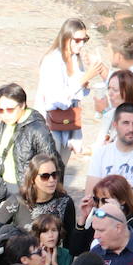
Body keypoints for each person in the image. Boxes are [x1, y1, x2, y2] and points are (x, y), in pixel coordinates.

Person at [37, 18, 107, 166]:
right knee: (50, 171)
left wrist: (85, 84)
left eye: (84, 40)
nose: (81, 44)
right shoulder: (52, 61)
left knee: (61, 171)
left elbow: (78, 94)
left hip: (67, 124)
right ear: (66, 38)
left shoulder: (75, 59)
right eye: (77, 40)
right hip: (50, 125)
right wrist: (84, 78)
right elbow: (58, 99)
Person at [0, 152, 83, 254]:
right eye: (45, 176)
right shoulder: (17, 202)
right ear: (32, 179)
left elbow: (69, 244)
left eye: (54, 174)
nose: (51, 180)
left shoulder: (65, 202)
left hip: (54, 261)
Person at [0, 82, 57, 205]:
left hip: (28, 191)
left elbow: (51, 164)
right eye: (0, 110)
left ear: (22, 105)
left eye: (10, 109)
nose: (5, 115)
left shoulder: (38, 130)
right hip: (6, 186)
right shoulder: (4, 125)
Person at [85, 104, 133, 198]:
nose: (131, 129)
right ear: (115, 125)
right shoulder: (100, 154)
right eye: (125, 123)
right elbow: (91, 195)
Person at [91, 69, 133, 156]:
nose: (110, 93)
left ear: (127, 92)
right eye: (109, 88)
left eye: (114, 90)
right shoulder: (112, 114)